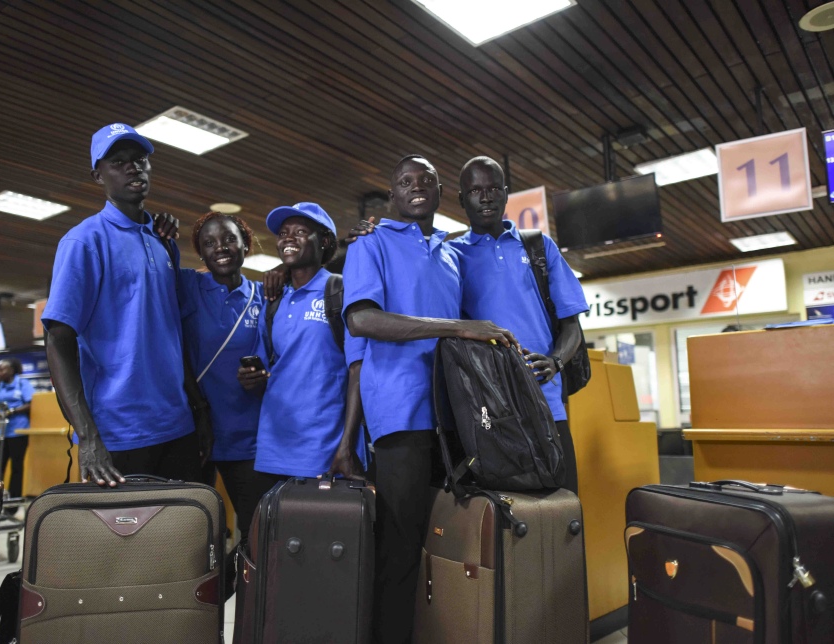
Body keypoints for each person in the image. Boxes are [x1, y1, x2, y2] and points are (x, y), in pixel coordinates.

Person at [341, 155, 515, 644]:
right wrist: (459, 326)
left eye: (427, 181)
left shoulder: (451, 251)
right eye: (405, 182)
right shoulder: (369, 244)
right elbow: (363, 321)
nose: (416, 188)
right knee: (399, 552)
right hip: (400, 417)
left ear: (441, 193)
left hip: (455, 418)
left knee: (450, 546)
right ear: (392, 194)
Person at [43, 123, 211, 486]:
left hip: (176, 426)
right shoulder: (83, 242)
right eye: (118, 161)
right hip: (118, 434)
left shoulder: (163, 240)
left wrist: (198, 410)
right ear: (97, 175)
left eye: (140, 160)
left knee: (184, 540)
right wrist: (87, 436)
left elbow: (171, 331)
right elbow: (58, 341)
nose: (133, 168)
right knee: (125, 543)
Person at [451, 155, 588, 494]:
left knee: (562, 501)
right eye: (475, 190)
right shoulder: (451, 254)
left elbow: (572, 326)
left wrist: (556, 361)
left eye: (494, 188)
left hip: (546, 401)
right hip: (487, 406)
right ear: (461, 199)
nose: (485, 197)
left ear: (506, 194)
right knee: (503, 508)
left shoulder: (539, 246)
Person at [237, 202, 369, 481]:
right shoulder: (273, 303)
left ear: (323, 241)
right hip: (275, 449)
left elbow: (359, 371)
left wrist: (347, 446)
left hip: (327, 450)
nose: (288, 238)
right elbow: (268, 372)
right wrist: (253, 379)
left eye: (300, 231)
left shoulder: (340, 291)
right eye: (283, 232)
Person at [180, 211, 278, 547]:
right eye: (208, 243)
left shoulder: (262, 297)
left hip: (246, 437)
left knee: (258, 533)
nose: (219, 247)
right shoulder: (189, 286)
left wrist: (263, 377)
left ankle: (248, 593)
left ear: (245, 245)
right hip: (195, 437)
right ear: (201, 253)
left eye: (228, 239)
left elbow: (276, 356)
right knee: (195, 538)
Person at [0, 358, 34, 500]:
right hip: (2, 432)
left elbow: (31, 403)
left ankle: (14, 500)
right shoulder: (0, 385)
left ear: (12, 370)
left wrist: (13, 411)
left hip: (19, 431)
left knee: (16, 467)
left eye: (2, 369)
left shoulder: (22, 383)